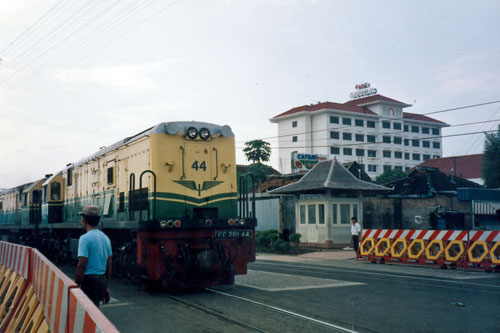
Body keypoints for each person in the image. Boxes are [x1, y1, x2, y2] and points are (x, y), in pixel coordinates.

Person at [75, 205, 112, 307]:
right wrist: (105, 287)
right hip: (102, 281)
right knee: (95, 310)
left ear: (84, 220)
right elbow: (109, 265)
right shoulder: (106, 238)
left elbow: (82, 264)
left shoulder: (84, 238)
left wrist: (76, 285)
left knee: (87, 314)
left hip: (89, 282)